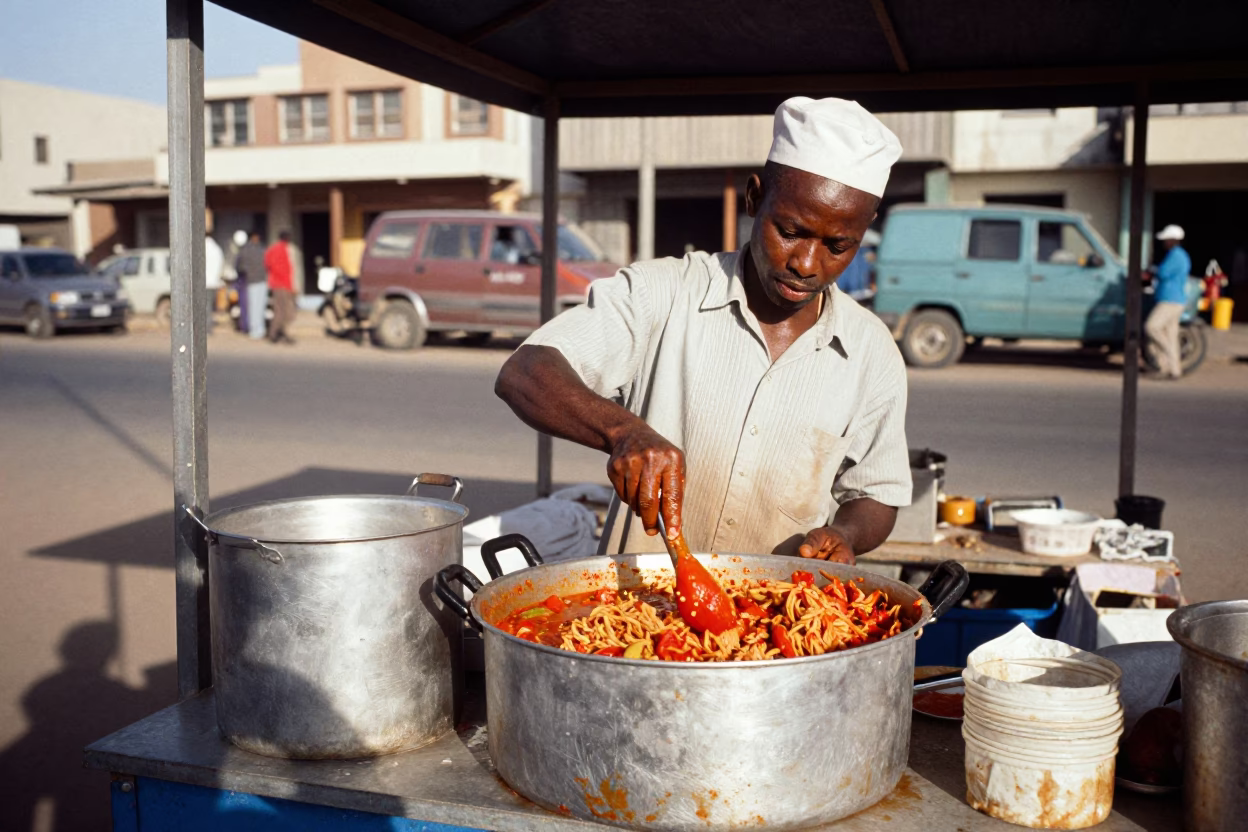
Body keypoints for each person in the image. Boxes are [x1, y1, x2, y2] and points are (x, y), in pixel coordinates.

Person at [495, 97, 911, 564]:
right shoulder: (660, 294)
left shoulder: (871, 351)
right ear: (754, 199)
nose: (806, 264)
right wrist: (623, 432)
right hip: (634, 615)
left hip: (778, 622)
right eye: (790, 232)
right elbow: (526, 372)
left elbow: (876, 492)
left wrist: (847, 533)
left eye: (838, 246)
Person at [1146, 224, 1191, 380]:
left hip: (1170, 299)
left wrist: (1152, 271)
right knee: (1170, 335)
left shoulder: (1176, 255)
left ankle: (1167, 358)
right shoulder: (1179, 255)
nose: (1164, 242)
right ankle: (1172, 370)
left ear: (1173, 240)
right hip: (1174, 299)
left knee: (1152, 327)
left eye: (1166, 239)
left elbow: (1163, 272)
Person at [265, 230, 297, 344]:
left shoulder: (276, 248)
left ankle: (281, 332)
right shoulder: (280, 249)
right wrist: (287, 284)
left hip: (280, 284)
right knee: (282, 310)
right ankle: (275, 333)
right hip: (281, 284)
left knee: (283, 310)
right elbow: (279, 267)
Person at [235, 231, 268, 340]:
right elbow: (240, 266)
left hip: (259, 280)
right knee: (255, 306)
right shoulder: (248, 250)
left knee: (259, 306)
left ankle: (259, 329)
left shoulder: (262, 249)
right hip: (254, 281)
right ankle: (255, 330)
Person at [204, 231, 225, 332]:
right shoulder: (217, 249)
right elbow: (221, 265)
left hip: (203, 282)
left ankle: (206, 327)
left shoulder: (200, 248)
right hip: (213, 282)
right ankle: (208, 326)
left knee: (203, 306)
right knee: (209, 306)